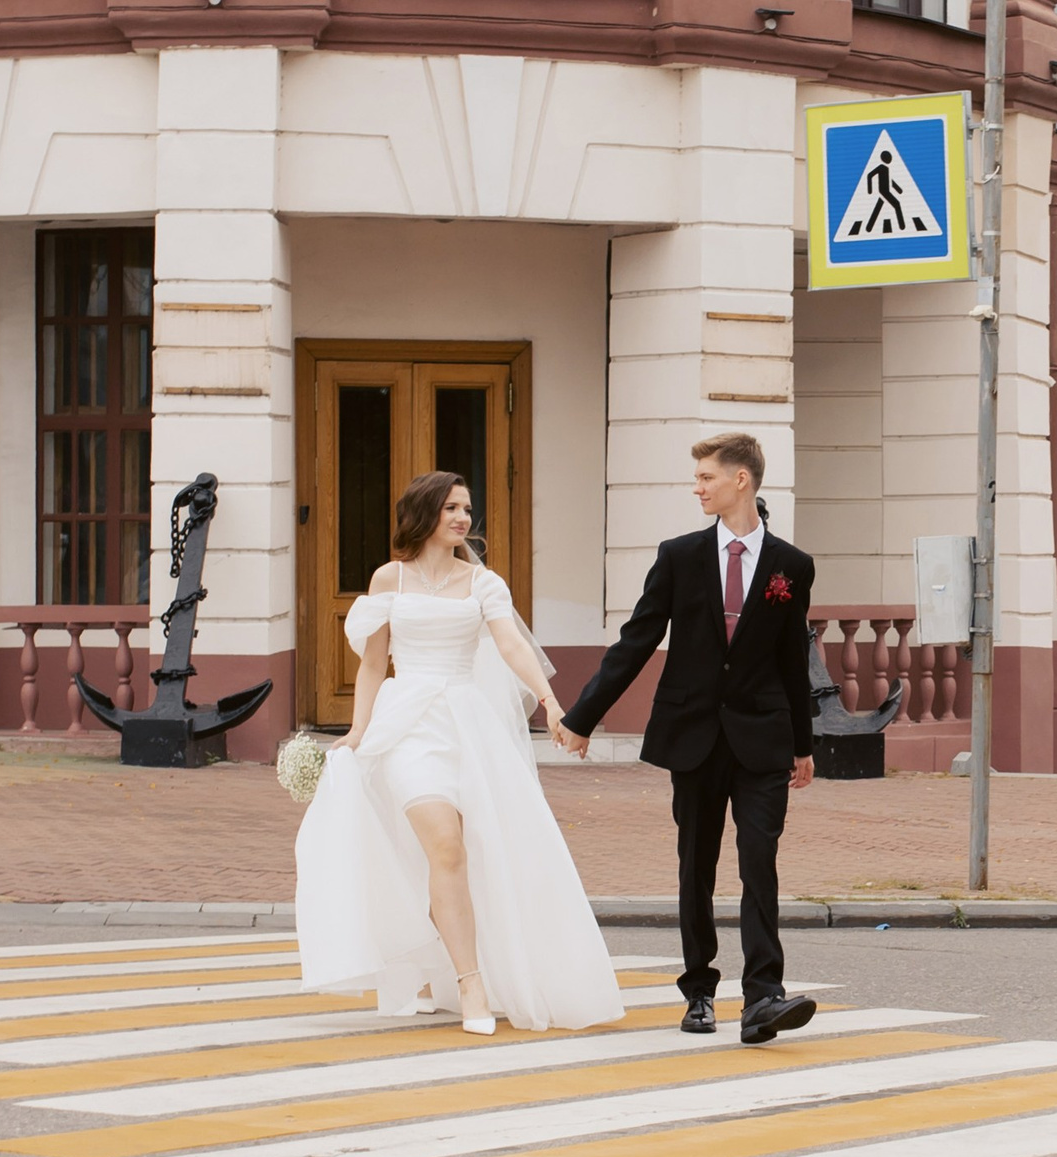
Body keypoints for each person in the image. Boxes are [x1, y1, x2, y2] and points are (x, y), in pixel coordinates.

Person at [294, 470, 623, 1036]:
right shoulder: (387, 579)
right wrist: (357, 732)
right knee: (443, 845)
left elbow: (511, 644)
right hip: (408, 727)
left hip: (467, 724)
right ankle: (470, 982)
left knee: (457, 854)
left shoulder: (482, 583)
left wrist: (549, 700)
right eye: (450, 508)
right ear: (425, 513)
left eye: (466, 508)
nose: (462, 518)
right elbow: (374, 664)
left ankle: (435, 967)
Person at [552, 432, 818, 1046]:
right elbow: (636, 640)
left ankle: (763, 997)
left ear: (741, 481)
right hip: (693, 736)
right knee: (695, 867)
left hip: (762, 738)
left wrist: (803, 746)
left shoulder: (790, 566)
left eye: (706, 477)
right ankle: (699, 991)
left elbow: (791, 661)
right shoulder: (679, 556)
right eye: (697, 478)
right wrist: (581, 716)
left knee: (760, 864)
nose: (697, 487)